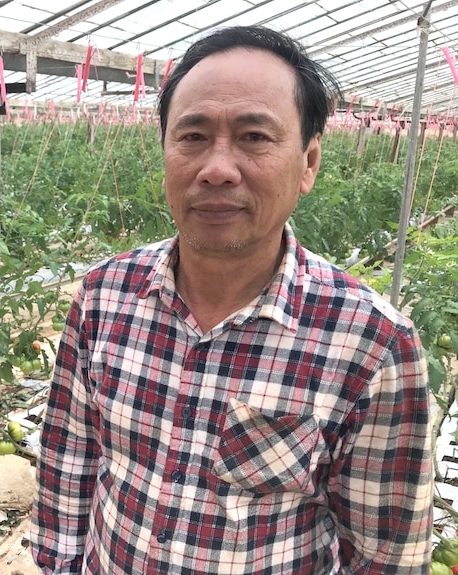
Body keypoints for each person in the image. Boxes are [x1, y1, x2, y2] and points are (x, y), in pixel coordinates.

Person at [30, 25, 433, 574]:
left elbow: (384, 556)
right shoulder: (104, 295)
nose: (216, 169)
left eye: (254, 137)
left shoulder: (372, 344)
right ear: (165, 152)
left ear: (308, 163)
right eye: (192, 136)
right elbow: (69, 462)